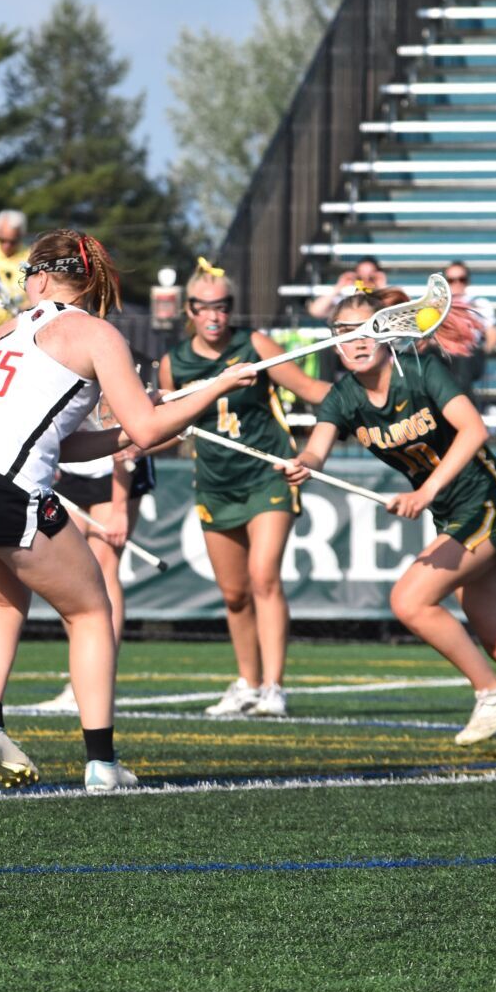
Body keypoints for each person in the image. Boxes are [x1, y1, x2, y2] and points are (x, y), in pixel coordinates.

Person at [0, 228, 257, 792]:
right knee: (92, 611)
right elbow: (150, 429)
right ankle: (101, 763)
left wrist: (120, 433)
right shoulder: (96, 334)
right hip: (3, 482)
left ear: (43, 277)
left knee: (3, 599)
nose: (23, 284)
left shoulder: (3, 332)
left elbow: (73, 440)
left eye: (26, 274)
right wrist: (215, 389)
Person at [281, 288, 496, 758]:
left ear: (387, 333)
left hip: (487, 500)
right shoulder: (343, 397)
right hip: (452, 514)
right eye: (346, 334)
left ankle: (492, 692)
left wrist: (425, 492)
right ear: (334, 344)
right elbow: (316, 449)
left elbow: (474, 431)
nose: (358, 341)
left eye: (368, 330)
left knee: (409, 601)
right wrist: (302, 463)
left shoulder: (421, 371)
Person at [158, 257, 329, 719]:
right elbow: (171, 428)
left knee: (263, 577)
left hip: (266, 476)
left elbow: (312, 390)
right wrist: (133, 446)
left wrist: (370, 392)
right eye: (204, 307)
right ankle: (248, 683)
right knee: (234, 594)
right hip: (215, 484)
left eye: (222, 306)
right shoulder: (174, 363)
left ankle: (274, 687)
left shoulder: (253, 344)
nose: (214, 316)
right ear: (188, 310)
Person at [35, 401, 157, 713]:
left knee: (103, 568)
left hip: (115, 472)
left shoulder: (101, 358)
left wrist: (119, 510)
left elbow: (123, 439)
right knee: (71, 576)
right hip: (73, 470)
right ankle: (81, 676)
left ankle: (100, 677)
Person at [442, 261, 496, 396]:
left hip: (468, 356)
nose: (457, 284)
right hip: (442, 354)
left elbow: (492, 333)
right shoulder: (435, 306)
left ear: (467, 281)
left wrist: (483, 350)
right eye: (451, 280)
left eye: (461, 279)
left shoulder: (479, 304)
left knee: (463, 358)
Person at [306, 255, 388, 322]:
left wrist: (382, 287)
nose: (365, 279)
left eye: (371, 277)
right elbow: (316, 311)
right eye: (360, 277)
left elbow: (394, 315)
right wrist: (339, 286)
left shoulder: (381, 299)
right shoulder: (345, 298)